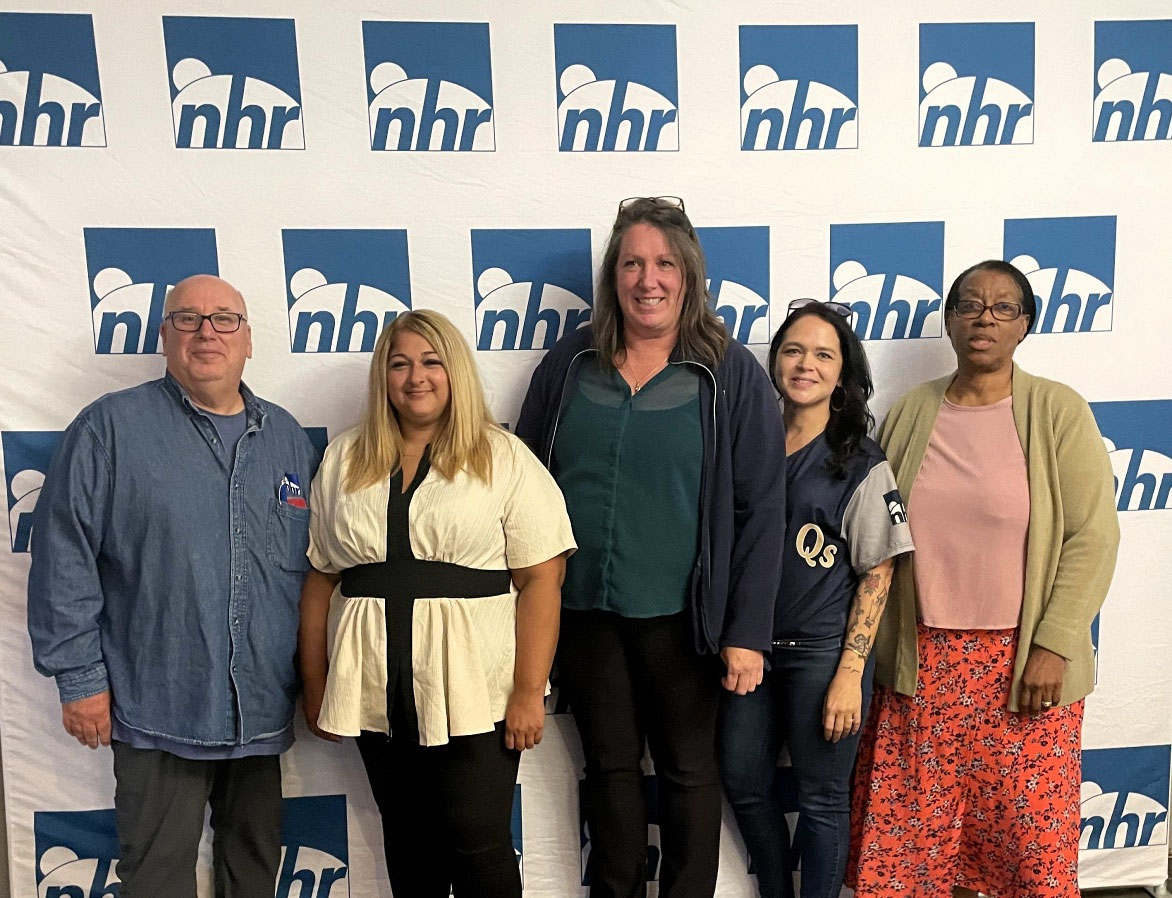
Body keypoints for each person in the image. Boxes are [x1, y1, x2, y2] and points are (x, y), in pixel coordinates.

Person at [516, 196, 786, 898]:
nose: (648, 279)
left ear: (688, 274)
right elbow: (524, 484)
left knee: (688, 770)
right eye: (632, 263)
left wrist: (747, 632)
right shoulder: (571, 363)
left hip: (684, 620)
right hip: (584, 613)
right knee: (608, 767)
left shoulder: (729, 374)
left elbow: (762, 511)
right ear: (613, 277)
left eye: (664, 263)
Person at [27, 275, 318, 898]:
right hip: (156, 704)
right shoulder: (109, 428)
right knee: (156, 880)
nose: (206, 332)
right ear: (164, 337)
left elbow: (311, 575)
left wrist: (315, 682)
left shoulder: (289, 438)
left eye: (224, 320)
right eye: (187, 320)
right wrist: (80, 681)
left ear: (249, 342)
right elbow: (64, 559)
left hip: (262, 712)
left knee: (254, 873)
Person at [847, 260, 1120, 898]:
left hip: (1024, 667)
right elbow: (881, 536)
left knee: (1028, 854)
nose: (984, 319)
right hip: (923, 665)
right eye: (970, 305)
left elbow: (1093, 537)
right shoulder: (911, 413)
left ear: (1025, 325)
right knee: (913, 855)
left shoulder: (1059, 411)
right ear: (948, 320)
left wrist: (1053, 644)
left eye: (1002, 308)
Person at [298, 309, 575, 898]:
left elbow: (542, 580)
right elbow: (322, 578)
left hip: (478, 691)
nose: (415, 376)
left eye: (430, 361)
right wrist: (316, 682)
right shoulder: (346, 459)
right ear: (383, 377)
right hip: (376, 689)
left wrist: (530, 689)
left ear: (455, 372)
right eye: (399, 363)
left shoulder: (501, 457)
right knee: (407, 838)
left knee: (477, 840)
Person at [719, 299, 913, 898]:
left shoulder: (857, 459)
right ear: (774, 360)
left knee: (823, 799)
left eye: (823, 354)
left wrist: (849, 673)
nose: (805, 364)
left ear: (842, 372)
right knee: (744, 782)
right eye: (793, 350)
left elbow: (879, 571)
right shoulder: (747, 442)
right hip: (750, 649)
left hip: (822, 653)